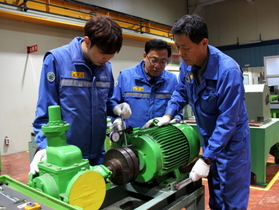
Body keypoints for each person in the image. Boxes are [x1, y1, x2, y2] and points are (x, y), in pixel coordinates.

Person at [142, 14, 251, 209]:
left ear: (204, 43)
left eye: (185, 47)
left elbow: (228, 121)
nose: (180, 53)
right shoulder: (187, 63)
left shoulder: (228, 72)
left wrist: (206, 158)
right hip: (209, 140)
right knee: (216, 196)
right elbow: (181, 91)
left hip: (232, 146)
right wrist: (168, 115)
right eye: (177, 46)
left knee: (231, 198)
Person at [30, 15, 132, 174]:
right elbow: (45, 111)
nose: (106, 59)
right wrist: (46, 148)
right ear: (87, 41)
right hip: (67, 158)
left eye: (111, 55)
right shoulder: (57, 60)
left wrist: (116, 109)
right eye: (103, 54)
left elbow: (107, 101)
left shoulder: (105, 66)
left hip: (98, 155)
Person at [110, 39, 183, 131]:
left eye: (163, 62)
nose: (157, 66)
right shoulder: (126, 77)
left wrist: (176, 119)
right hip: (131, 137)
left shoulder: (171, 80)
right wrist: (116, 120)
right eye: (154, 60)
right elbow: (113, 104)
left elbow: (177, 108)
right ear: (145, 56)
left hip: (160, 140)